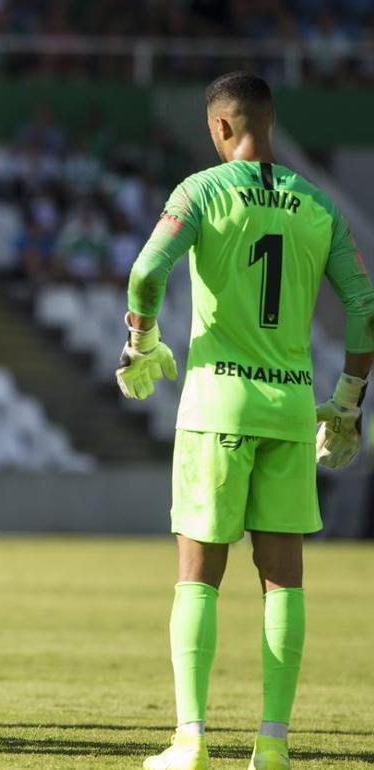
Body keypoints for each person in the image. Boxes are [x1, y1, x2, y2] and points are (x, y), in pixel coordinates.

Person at [115, 72, 373, 770]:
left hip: (216, 405)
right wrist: (347, 403)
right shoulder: (318, 203)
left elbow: (145, 276)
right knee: (284, 580)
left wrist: (142, 342)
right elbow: (364, 306)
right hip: (292, 406)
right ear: (271, 122)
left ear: (220, 128)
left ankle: (191, 740)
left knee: (199, 576)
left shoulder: (199, 191)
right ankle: (273, 743)